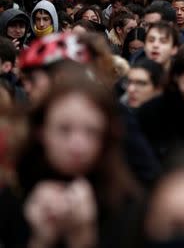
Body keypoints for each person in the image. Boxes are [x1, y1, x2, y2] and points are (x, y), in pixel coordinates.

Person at [0, 75, 142, 248]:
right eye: (64, 129)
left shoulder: (127, 203)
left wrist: (82, 237)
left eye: (91, 131)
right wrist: (41, 241)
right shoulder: (14, 194)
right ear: (41, 132)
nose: (77, 146)